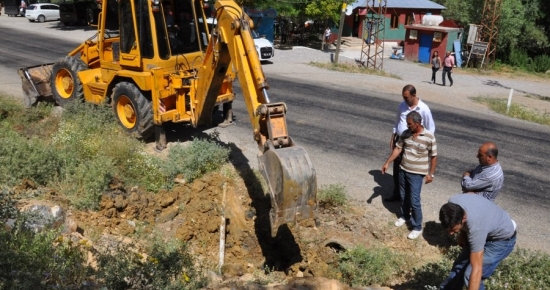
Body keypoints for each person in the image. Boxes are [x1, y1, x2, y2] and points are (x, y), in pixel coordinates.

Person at [439, 194, 517, 290]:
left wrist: (463, 232)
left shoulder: (476, 228)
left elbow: (477, 268)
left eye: (453, 229)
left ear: (463, 219)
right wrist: (462, 233)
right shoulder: (453, 203)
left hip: (500, 241)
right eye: (448, 229)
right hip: (487, 228)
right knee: (459, 267)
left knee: (470, 273)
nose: (451, 233)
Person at [382, 111, 437, 240]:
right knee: (403, 195)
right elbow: (398, 148)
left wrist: (431, 174)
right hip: (403, 170)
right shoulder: (406, 134)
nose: (407, 126)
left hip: (417, 174)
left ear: (418, 123)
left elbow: (433, 156)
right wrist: (387, 163)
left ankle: (417, 227)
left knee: (414, 200)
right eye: (407, 123)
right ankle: (405, 215)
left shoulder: (429, 137)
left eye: (410, 123)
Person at [386, 84, 435, 203]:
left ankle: (409, 198)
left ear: (414, 96)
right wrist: (393, 136)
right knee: (397, 169)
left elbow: (431, 128)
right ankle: (397, 193)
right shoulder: (402, 106)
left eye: (406, 97)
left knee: (411, 170)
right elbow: (397, 122)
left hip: (415, 143)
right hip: (401, 140)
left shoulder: (424, 109)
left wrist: (423, 143)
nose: (404, 100)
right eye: (403, 97)